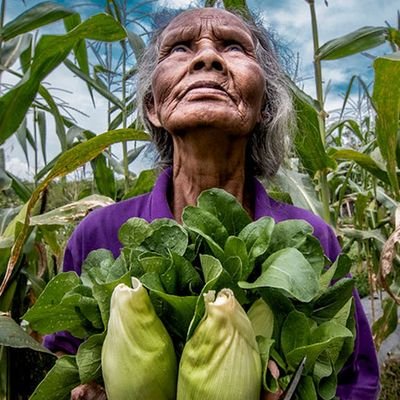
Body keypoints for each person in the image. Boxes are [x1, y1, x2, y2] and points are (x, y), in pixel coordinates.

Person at [44, 7, 380, 400]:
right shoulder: (97, 236)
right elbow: (66, 367)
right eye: (181, 48)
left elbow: (357, 384)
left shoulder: (312, 240)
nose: (208, 57)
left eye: (234, 46)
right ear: (153, 105)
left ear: (265, 107)